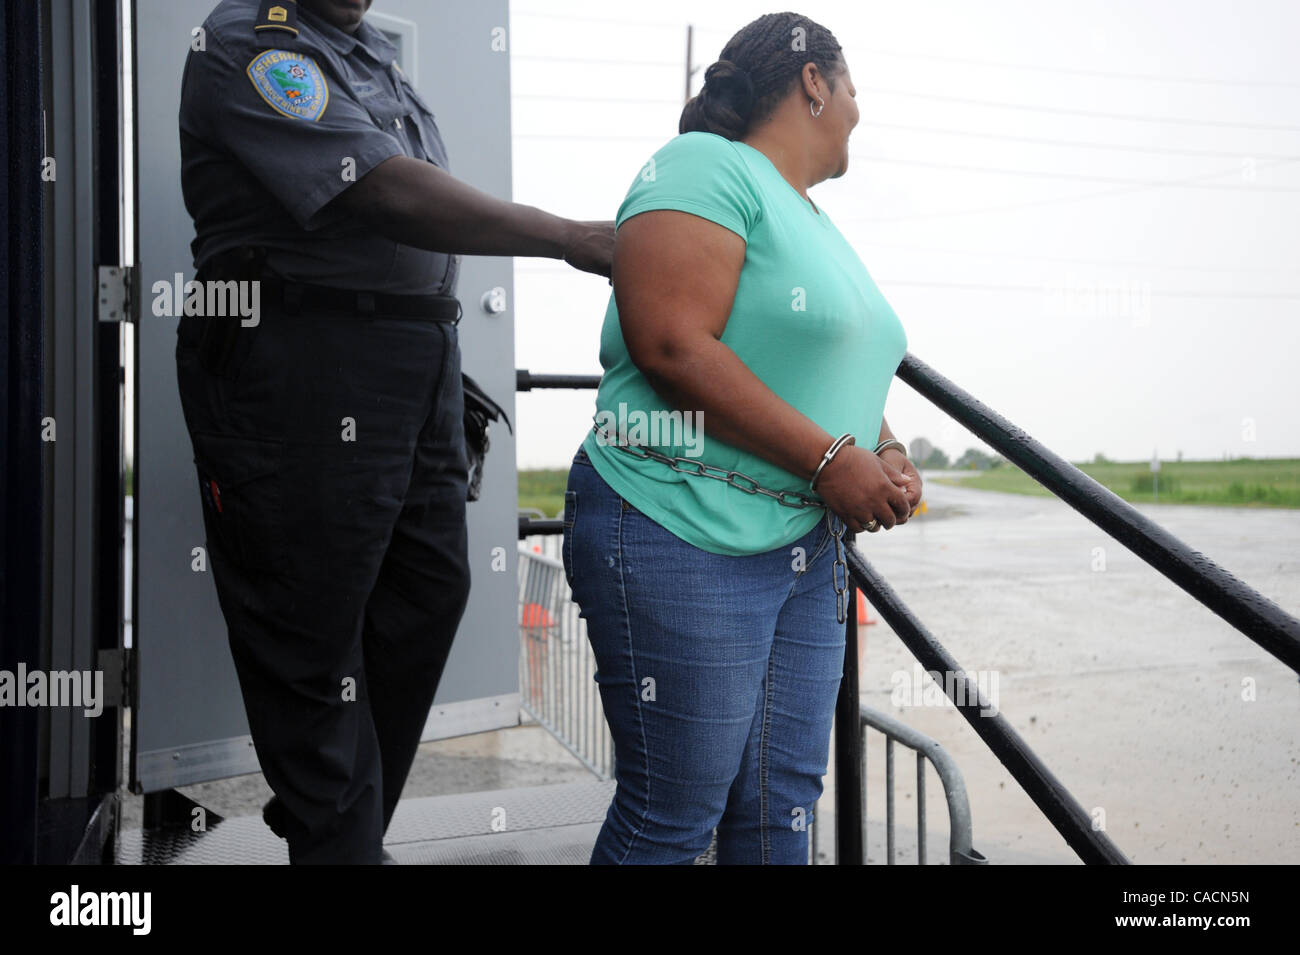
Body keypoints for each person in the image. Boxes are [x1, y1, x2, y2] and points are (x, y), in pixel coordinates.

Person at [174, 0, 612, 864]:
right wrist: (566, 237)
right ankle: (340, 838)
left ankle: (330, 816)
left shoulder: (370, 52)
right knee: (310, 623)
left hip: (414, 354)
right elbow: (380, 187)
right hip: (303, 360)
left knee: (431, 588)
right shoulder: (253, 45)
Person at [562, 12, 923, 865]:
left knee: (779, 809)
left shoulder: (814, 224)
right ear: (813, 82)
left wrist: (887, 446)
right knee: (672, 813)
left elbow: (817, 364)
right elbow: (672, 343)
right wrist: (833, 458)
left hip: (800, 548)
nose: (859, 110)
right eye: (855, 88)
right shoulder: (703, 167)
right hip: (678, 522)